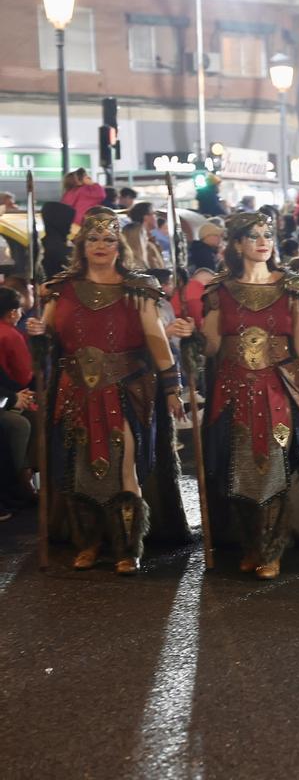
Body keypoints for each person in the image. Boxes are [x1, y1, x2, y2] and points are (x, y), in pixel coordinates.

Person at [24, 208, 193, 573]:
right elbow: (49, 340)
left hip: (125, 391)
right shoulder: (60, 290)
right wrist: (38, 333)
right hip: (73, 392)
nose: (101, 245)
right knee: (79, 469)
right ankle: (88, 544)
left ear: (120, 246)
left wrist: (172, 387)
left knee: (124, 469)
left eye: (109, 239)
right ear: (82, 245)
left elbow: (157, 342)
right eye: (94, 239)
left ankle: (127, 548)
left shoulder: (138, 290)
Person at [199, 212, 299, 579]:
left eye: (268, 235)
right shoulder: (219, 290)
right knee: (240, 468)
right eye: (253, 236)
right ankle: (251, 544)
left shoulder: (292, 287)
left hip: (278, 388)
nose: (263, 241)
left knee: (272, 467)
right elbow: (212, 346)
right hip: (231, 390)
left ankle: (272, 548)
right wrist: (190, 335)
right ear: (236, 245)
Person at [0, 286, 35, 519]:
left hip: (5, 396)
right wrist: (15, 398)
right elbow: (24, 376)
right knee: (23, 422)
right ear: (13, 312)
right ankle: (21, 484)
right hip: (7, 399)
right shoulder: (10, 335)